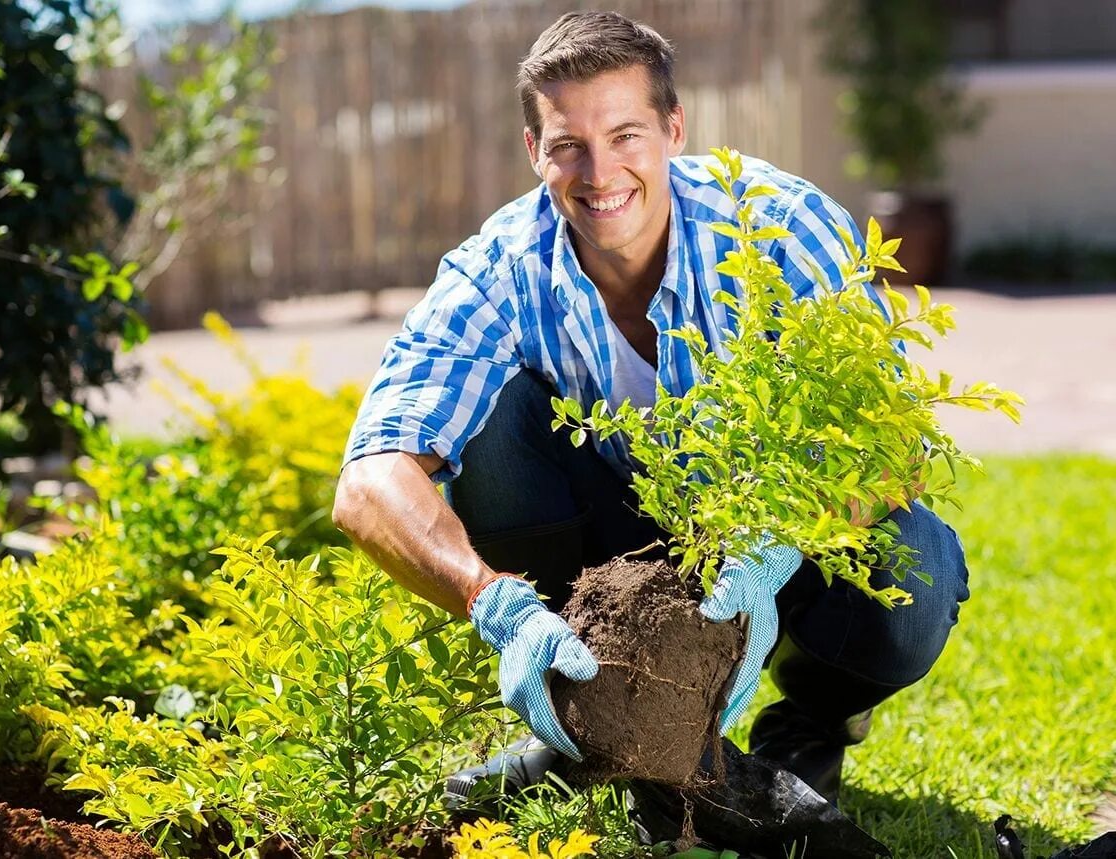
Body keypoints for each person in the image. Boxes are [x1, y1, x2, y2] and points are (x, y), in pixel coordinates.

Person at [332, 9, 969, 840]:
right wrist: (494, 603)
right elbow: (369, 480)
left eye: (626, 134)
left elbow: (890, 442)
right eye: (568, 145)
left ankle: (810, 721)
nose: (600, 173)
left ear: (673, 128)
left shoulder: (775, 227)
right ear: (535, 152)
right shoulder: (497, 270)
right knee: (490, 425)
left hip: (774, 543)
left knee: (911, 573)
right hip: (608, 561)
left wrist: (775, 546)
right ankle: (591, 713)